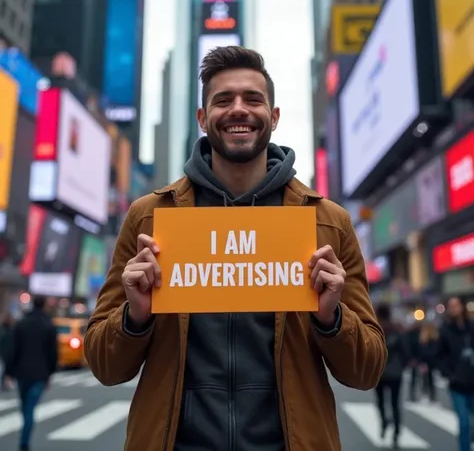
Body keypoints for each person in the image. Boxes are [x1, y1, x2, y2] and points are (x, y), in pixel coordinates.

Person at [85, 46, 387, 451]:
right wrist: (135, 316)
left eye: (253, 99)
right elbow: (105, 367)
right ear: (202, 119)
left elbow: (366, 371)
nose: (238, 110)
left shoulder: (327, 223)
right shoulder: (149, 218)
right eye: (222, 100)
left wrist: (331, 317)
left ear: (274, 117)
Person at [4, 295, 58, 451]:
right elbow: (52, 353)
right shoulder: (48, 325)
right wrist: (50, 373)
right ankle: (24, 443)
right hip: (40, 374)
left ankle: (24, 440)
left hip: (21, 373)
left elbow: (11, 349)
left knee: (25, 407)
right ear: (44, 305)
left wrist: (8, 372)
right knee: (29, 409)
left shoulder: (21, 323)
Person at [438, 296, 474, 451]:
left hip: (473, 380)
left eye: (456, 305)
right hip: (457, 384)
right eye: (451, 306)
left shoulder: (471, 327)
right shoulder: (445, 330)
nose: (454, 309)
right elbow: (439, 355)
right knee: (464, 422)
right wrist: (449, 373)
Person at [374, 304, 408, 449]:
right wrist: (402, 366)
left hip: (378, 372)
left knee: (380, 401)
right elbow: (405, 351)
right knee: (395, 404)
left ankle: (384, 422)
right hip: (395, 372)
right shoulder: (397, 329)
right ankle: (396, 433)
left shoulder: (375, 328)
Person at [417, 321, 439, 403]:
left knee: (425, 379)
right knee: (430, 379)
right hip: (430, 362)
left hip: (426, 362)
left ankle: (427, 395)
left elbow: (422, 351)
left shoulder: (424, 339)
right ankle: (431, 395)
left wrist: (422, 362)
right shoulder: (434, 338)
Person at [0, 312, 15, 391]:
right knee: (5, 367)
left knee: (4, 367)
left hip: (5, 350)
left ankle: (5, 381)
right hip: (7, 350)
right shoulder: (10, 329)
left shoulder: (6, 329)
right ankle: (5, 381)